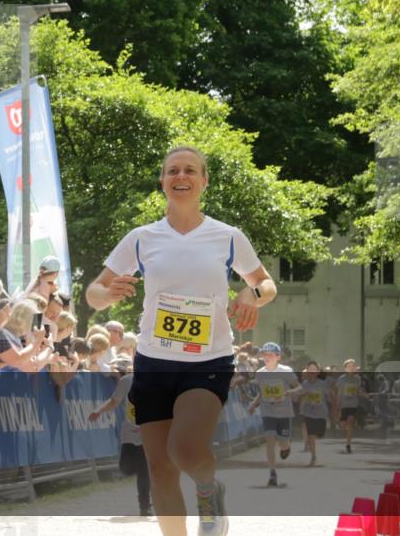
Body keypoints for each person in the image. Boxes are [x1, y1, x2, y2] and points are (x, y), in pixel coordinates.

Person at [85, 145, 277, 536]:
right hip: (154, 361)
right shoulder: (142, 238)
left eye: (190, 170)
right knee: (159, 466)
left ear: (204, 181)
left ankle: (209, 489)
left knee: (185, 449)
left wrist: (248, 295)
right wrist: (106, 295)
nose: (181, 177)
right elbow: (93, 291)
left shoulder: (227, 237)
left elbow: (267, 283)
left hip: (209, 361)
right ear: (163, 181)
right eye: (173, 171)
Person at [90, 357, 152, 517]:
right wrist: (99, 410)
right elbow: (113, 401)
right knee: (125, 468)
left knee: (144, 472)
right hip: (129, 433)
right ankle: (145, 477)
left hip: (149, 432)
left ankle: (145, 506)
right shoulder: (126, 381)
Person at [247, 342, 302, 486]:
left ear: (278, 357)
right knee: (270, 440)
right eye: (265, 354)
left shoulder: (286, 371)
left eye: (270, 355)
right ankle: (272, 473)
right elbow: (262, 392)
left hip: (284, 413)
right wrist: (254, 403)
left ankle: (286, 446)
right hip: (268, 412)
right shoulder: (260, 373)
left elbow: (299, 387)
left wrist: (291, 392)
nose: (267, 357)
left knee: (282, 444)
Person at [298, 360, 330, 467]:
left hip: (321, 413)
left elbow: (330, 396)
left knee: (320, 434)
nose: (311, 373)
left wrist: (334, 408)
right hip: (309, 413)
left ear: (317, 372)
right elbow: (300, 397)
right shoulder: (304, 384)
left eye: (314, 371)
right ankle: (313, 456)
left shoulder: (323, 384)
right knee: (311, 435)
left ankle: (313, 454)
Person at [333, 358, 366, 453]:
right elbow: (339, 392)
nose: (352, 368)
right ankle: (342, 424)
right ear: (345, 368)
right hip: (344, 404)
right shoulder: (341, 379)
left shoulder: (357, 379)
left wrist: (363, 394)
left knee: (350, 422)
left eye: (353, 366)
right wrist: (337, 405)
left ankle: (348, 444)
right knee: (343, 425)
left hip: (353, 404)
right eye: (349, 366)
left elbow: (358, 390)